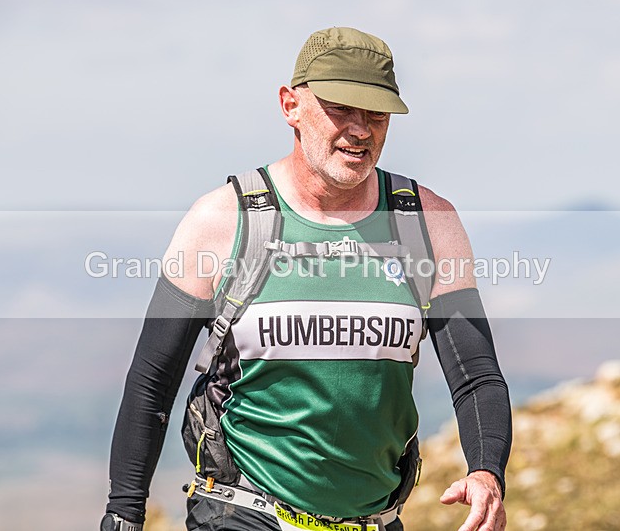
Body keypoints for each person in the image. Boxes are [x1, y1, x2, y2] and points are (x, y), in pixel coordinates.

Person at [101, 27, 512, 531]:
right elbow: (151, 382)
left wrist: (487, 473)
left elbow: (476, 376)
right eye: (341, 109)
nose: (361, 131)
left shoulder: (428, 223)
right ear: (290, 105)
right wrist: (123, 514)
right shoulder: (222, 220)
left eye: (377, 114)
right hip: (242, 511)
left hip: (373, 519)